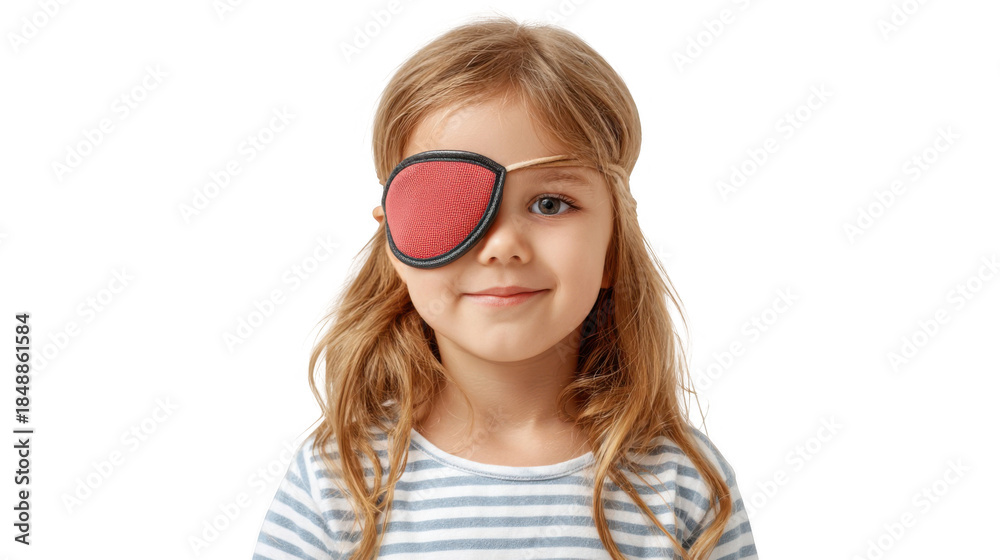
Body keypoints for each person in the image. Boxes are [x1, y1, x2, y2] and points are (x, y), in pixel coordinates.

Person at [253, 15, 758, 560]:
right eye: (452, 203)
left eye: (551, 204)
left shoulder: (679, 483)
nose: (502, 246)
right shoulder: (340, 481)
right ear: (396, 243)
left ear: (614, 243)